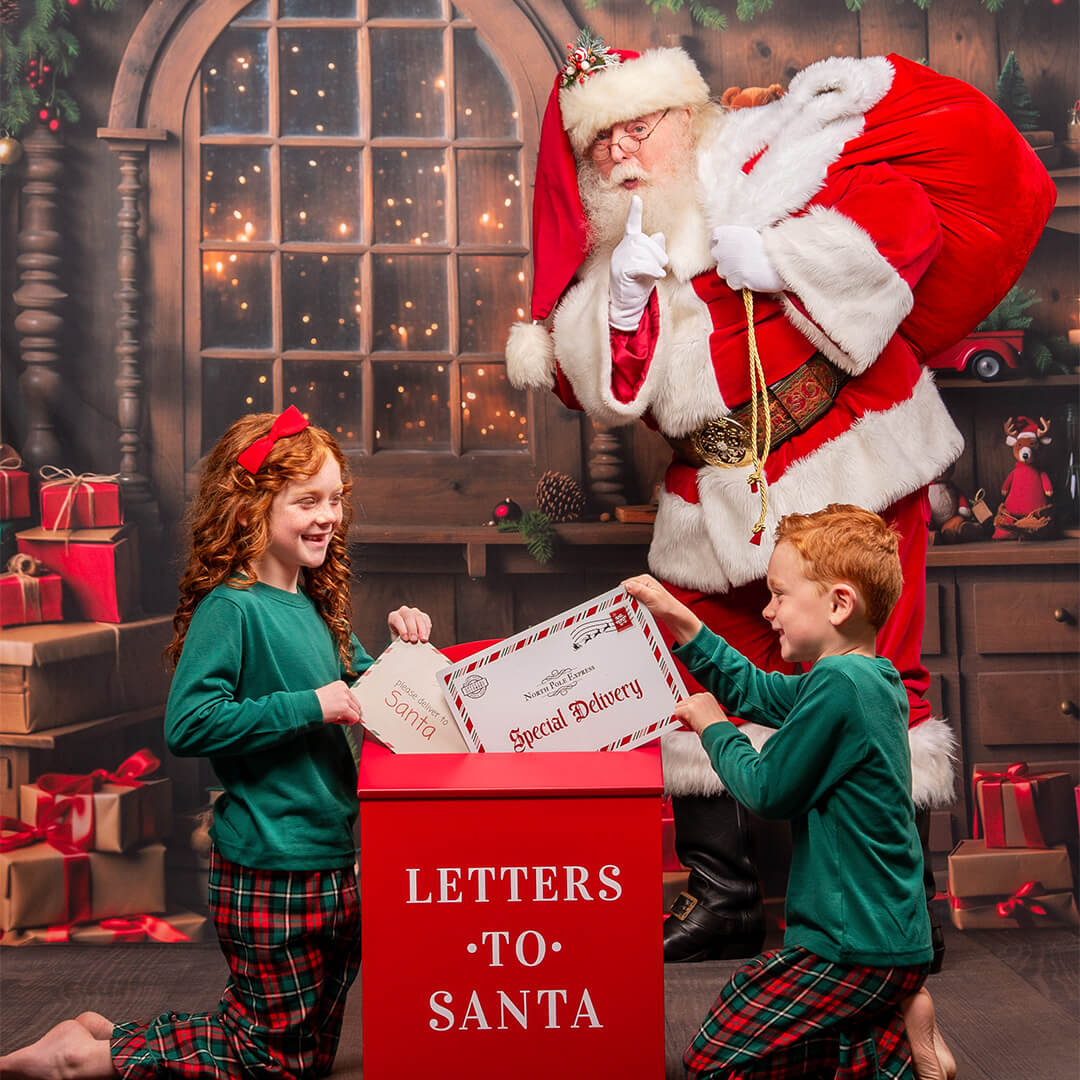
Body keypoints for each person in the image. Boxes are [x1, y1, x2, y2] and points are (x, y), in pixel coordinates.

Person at [506, 29, 1055, 964]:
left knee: (873, 680)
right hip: (712, 494)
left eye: (638, 128)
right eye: (601, 143)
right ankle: (724, 902)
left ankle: (891, 902)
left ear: (685, 116)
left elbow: (905, 222)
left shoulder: (772, 154)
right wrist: (627, 304)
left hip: (850, 463)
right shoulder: (609, 254)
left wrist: (785, 257)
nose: (622, 154)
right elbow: (589, 388)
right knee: (702, 672)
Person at [0, 406, 433, 1080]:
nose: (330, 517)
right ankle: (83, 1058)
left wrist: (409, 648)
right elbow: (189, 723)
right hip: (270, 862)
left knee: (300, 1058)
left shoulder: (319, 605)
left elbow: (374, 697)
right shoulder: (231, 608)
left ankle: (106, 1036)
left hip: (334, 861)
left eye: (337, 499)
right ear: (251, 507)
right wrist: (310, 705)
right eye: (308, 501)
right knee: (271, 1062)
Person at [623, 505, 957, 1080]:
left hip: (856, 946)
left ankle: (893, 1035)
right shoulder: (867, 677)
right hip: (882, 940)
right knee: (751, 997)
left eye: (779, 595)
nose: (767, 610)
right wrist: (682, 621)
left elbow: (767, 791)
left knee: (713, 1059)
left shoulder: (838, 688)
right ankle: (892, 1029)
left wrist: (713, 728)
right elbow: (755, 688)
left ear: (838, 604)